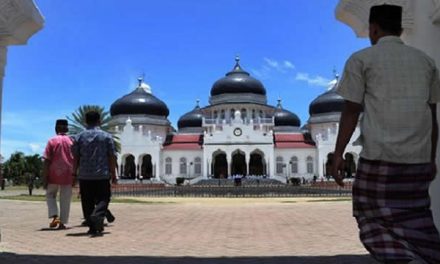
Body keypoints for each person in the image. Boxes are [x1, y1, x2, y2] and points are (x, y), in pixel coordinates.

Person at [331, 4, 440, 264]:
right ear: (401, 28)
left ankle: (401, 259)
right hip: (417, 160)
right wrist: (431, 157)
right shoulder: (426, 62)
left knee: (369, 216)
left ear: (374, 28)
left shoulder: (362, 59)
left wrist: (338, 154)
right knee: (417, 218)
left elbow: (351, 110)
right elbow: (432, 116)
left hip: (380, 158)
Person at [72, 110, 117, 236]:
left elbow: (76, 157)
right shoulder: (107, 136)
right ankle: (98, 216)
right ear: (100, 121)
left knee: (87, 201)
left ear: (85, 121)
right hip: (102, 174)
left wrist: (74, 174)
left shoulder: (79, 137)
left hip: (85, 175)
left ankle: (92, 227)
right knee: (104, 198)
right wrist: (113, 173)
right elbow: (112, 156)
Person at [42, 119, 74, 229]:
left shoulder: (52, 141)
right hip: (68, 174)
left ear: (56, 128)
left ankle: (55, 216)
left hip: (53, 174)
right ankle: (62, 223)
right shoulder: (72, 141)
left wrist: (45, 176)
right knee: (65, 199)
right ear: (67, 129)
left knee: (50, 195)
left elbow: (46, 160)